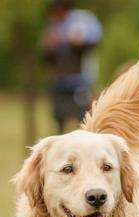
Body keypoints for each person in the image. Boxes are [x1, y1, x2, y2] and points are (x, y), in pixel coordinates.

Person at [42, 0, 102, 133]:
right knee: (59, 118)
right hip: (60, 81)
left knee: (83, 118)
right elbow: (47, 53)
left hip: (79, 81)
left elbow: (92, 40)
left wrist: (66, 40)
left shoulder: (82, 20)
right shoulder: (54, 26)